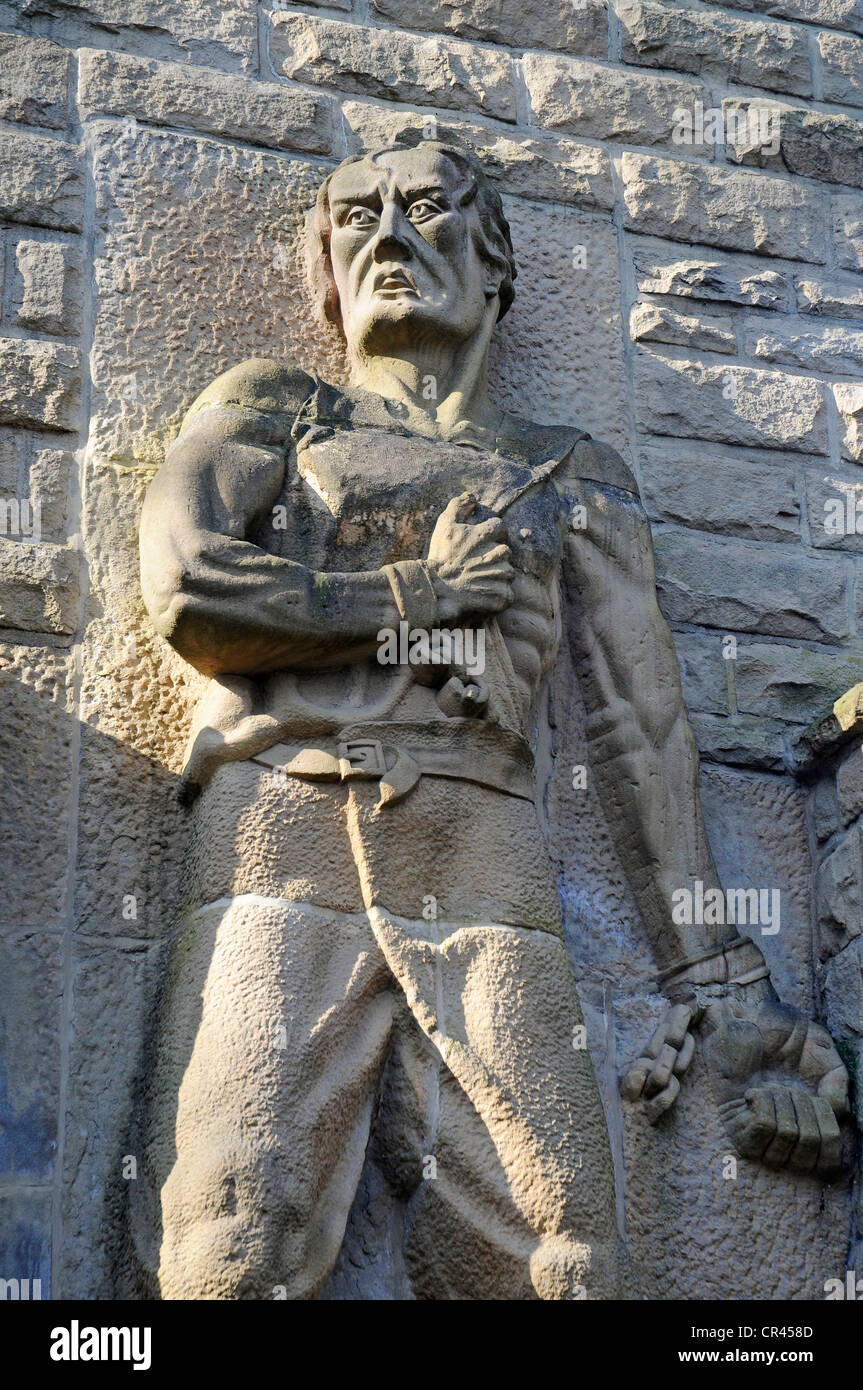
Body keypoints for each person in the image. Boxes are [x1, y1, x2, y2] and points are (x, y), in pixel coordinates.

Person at [137, 142, 848, 1301]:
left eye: (423, 208)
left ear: (492, 255)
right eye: (355, 218)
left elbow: (638, 733)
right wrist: (414, 597)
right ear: (325, 271)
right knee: (234, 1229)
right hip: (286, 828)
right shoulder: (273, 411)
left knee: (562, 1254)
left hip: (485, 846)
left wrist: (720, 989)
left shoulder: (568, 473)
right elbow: (189, 585)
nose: (387, 237)